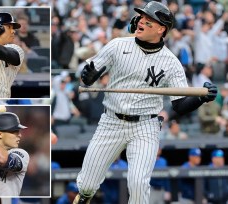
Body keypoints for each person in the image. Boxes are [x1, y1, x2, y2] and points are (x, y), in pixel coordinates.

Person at [73, 1, 218, 204]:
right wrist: (88, 77)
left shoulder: (171, 62)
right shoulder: (117, 45)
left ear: (161, 29)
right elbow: (88, 78)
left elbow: (179, 105)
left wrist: (201, 99)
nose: (141, 21)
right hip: (111, 122)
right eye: (141, 17)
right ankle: (85, 198)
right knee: (87, 185)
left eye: (149, 20)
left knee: (139, 184)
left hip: (145, 125)